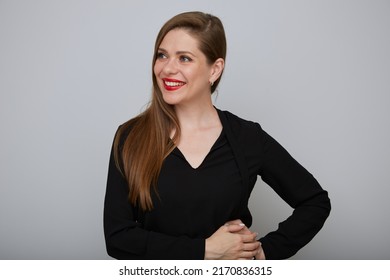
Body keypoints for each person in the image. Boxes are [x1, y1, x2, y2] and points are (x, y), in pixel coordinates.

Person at [103, 11, 331, 260]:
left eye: (185, 58)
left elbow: (315, 202)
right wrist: (203, 250)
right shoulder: (131, 137)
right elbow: (118, 239)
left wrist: (264, 253)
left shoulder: (247, 137)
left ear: (215, 70)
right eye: (162, 55)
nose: (167, 68)